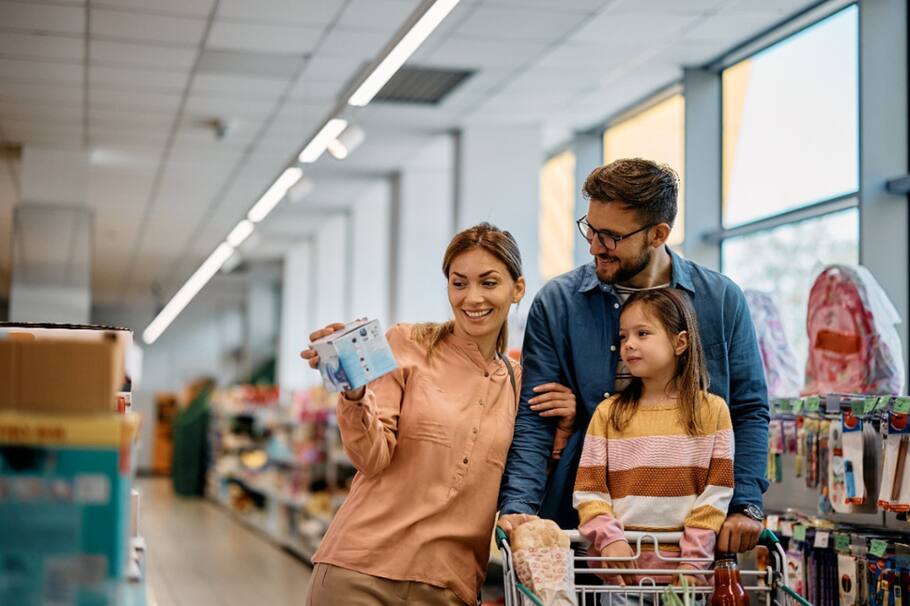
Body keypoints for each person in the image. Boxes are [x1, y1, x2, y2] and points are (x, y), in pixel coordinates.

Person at [499, 158, 769, 555]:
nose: (594, 246)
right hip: (583, 529)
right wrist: (519, 505)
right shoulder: (558, 303)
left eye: (610, 236)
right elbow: (535, 419)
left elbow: (747, 410)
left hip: (693, 536)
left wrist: (746, 504)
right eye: (590, 229)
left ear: (658, 234)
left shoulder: (720, 301)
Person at [300, 223, 573, 605]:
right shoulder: (406, 343)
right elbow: (370, 457)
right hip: (360, 572)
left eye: (489, 283)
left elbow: (523, 487)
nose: (472, 297)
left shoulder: (520, 385)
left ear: (518, 289)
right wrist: (354, 388)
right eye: (459, 283)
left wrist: (564, 427)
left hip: (449, 585)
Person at [574, 288, 733, 604]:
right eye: (623, 336)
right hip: (621, 578)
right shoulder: (609, 413)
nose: (628, 344)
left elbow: (716, 495)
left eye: (642, 333)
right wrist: (609, 540)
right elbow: (589, 490)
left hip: (686, 582)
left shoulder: (713, 411)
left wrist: (692, 563)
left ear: (680, 342)